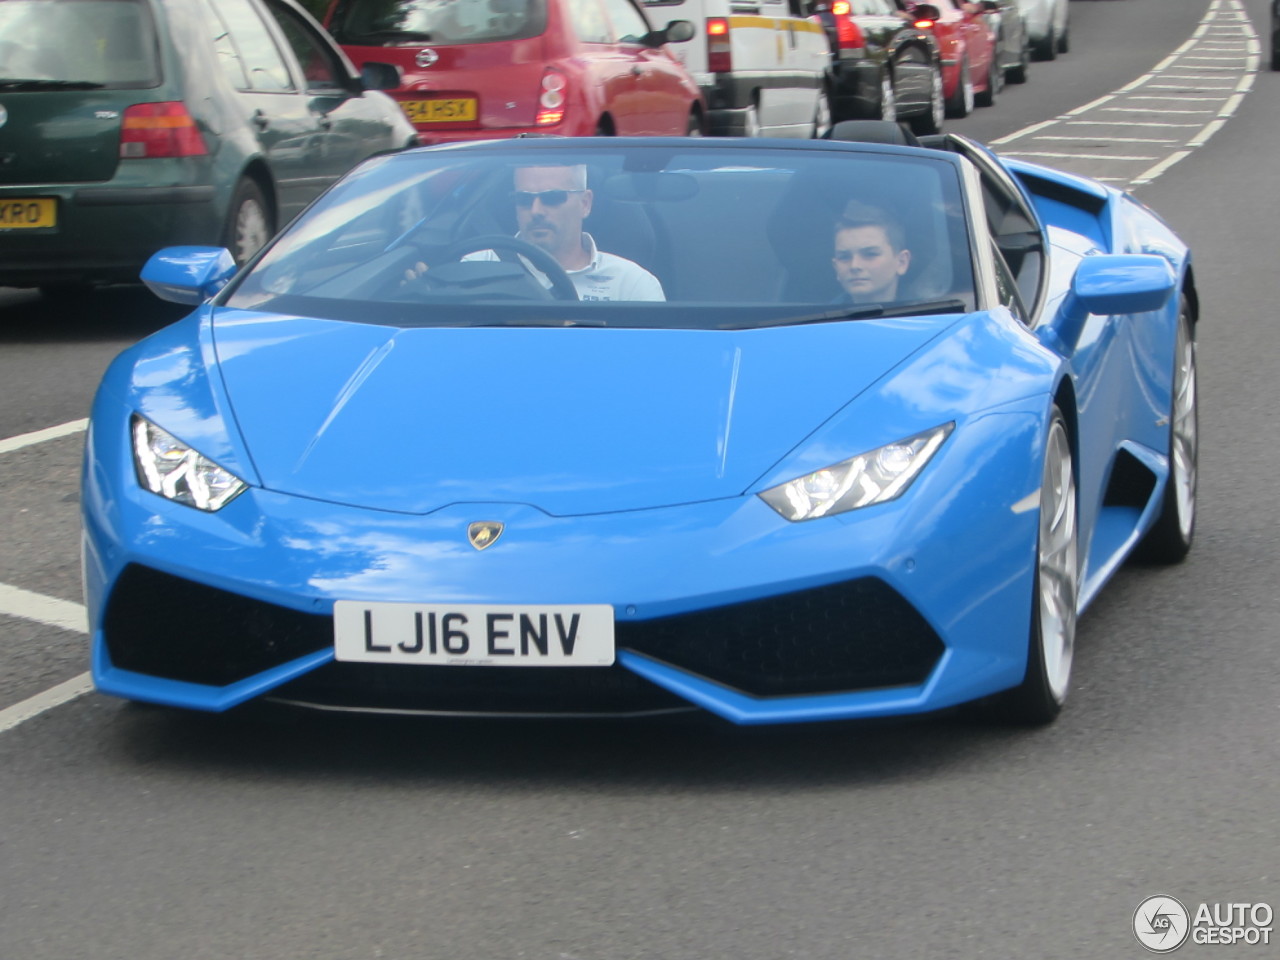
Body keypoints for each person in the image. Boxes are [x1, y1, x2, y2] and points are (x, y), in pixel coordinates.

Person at [424, 163, 665, 301]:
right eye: (523, 199)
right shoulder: (477, 266)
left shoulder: (631, 284)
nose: (536, 210)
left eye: (552, 198)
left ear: (585, 203)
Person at [830, 201, 912, 304]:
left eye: (870, 254)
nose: (854, 265)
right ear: (836, 267)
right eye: (844, 257)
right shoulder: (817, 318)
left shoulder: (928, 312)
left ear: (901, 262)